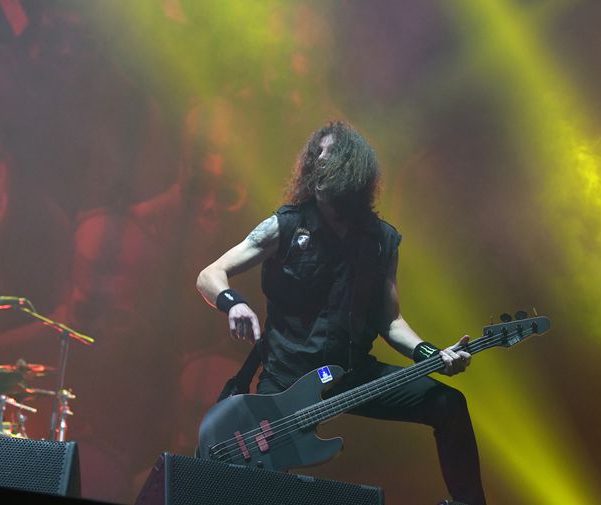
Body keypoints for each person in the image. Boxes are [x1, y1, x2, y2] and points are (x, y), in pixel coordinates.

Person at [196, 120, 486, 505]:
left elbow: (391, 320)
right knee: (248, 482)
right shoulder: (286, 226)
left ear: (353, 168)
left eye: (328, 154)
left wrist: (432, 354)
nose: (318, 161)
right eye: (315, 155)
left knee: (449, 404)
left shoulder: (381, 241)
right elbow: (210, 274)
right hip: (286, 378)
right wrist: (235, 303)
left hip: (351, 374)